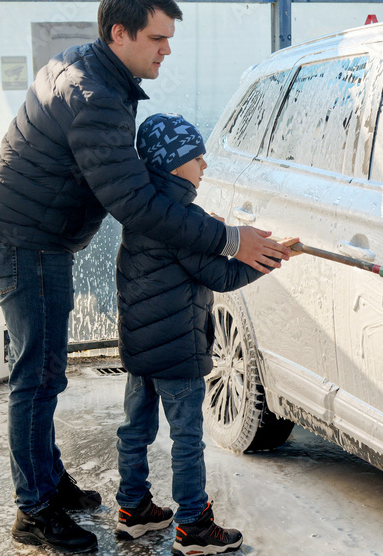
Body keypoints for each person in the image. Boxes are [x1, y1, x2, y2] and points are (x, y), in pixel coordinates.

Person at [0, 0, 291, 552]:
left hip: (30, 232)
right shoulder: (96, 98)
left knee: (45, 371)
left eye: (169, 38)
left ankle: (47, 480)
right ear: (120, 33)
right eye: (157, 38)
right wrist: (231, 240)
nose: (167, 50)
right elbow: (136, 205)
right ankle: (34, 508)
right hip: (25, 240)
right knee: (38, 376)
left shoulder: (89, 72)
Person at [114, 114, 294, 555]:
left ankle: (132, 509)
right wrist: (270, 258)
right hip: (178, 353)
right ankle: (193, 524)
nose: (205, 166)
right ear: (176, 166)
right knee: (187, 440)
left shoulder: (144, 213)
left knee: (135, 430)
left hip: (140, 352)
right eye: (198, 157)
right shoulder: (182, 221)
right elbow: (221, 275)